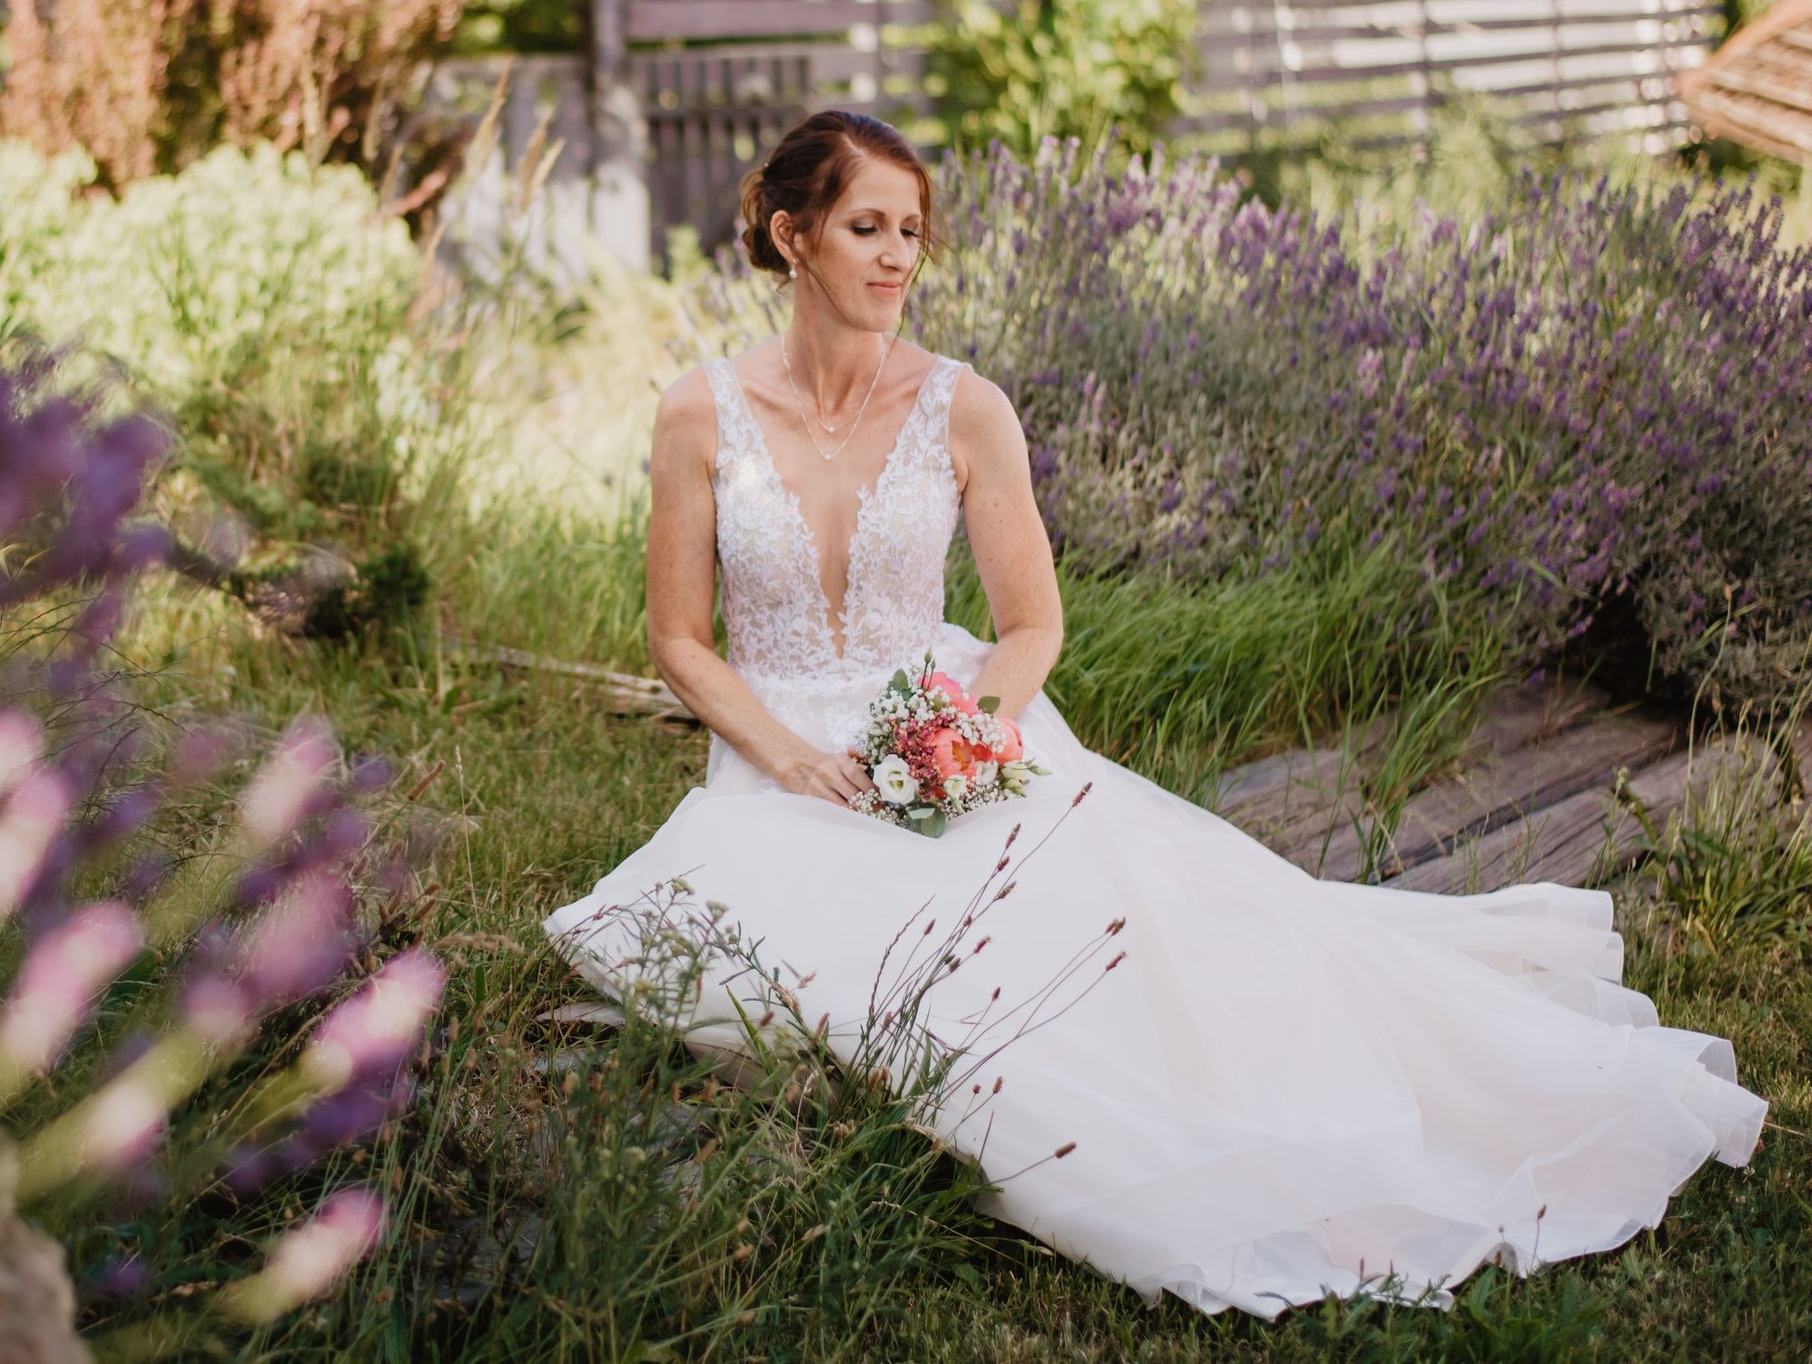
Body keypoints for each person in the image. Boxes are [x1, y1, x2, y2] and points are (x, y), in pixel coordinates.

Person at [543, 109, 1763, 1318]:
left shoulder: (965, 407)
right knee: (786, 957)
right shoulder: (697, 411)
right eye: (867, 226)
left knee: (1110, 943)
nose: (898, 254)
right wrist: (791, 758)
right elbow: (679, 639)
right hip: (776, 757)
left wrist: (956, 737)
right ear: (791, 234)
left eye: (912, 229)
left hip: (947, 728)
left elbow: (1030, 626)